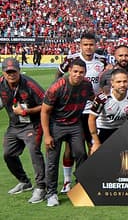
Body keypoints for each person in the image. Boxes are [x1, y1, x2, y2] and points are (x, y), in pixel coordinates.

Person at [0, 57, 47, 204]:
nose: (11, 74)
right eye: (8, 72)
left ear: (19, 71)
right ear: (3, 72)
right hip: (14, 125)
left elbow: (46, 104)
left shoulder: (29, 84)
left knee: (34, 150)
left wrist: (27, 111)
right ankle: (24, 181)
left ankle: (41, 187)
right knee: (8, 154)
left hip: (33, 124)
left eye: (13, 71)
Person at [55, 32, 107, 193]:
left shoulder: (103, 61)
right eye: (85, 44)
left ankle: (88, 179)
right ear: (80, 45)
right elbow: (58, 74)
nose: (88, 47)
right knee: (71, 148)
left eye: (91, 44)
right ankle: (67, 181)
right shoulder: (72, 60)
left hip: (93, 111)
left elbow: (107, 80)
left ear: (95, 45)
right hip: (75, 111)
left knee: (94, 146)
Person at [41, 59, 94, 207]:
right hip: (56, 125)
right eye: (75, 71)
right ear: (69, 71)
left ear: (85, 73)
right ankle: (51, 193)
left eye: (81, 72)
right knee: (52, 160)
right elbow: (45, 111)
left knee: (81, 154)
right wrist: (47, 135)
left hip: (75, 124)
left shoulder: (87, 85)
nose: (78, 75)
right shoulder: (57, 87)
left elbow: (94, 99)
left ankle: (80, 187)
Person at [87, 68, 128, 154]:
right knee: (95, 156)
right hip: (103, 129)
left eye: (125, 81)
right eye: (119, 82)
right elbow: (91, 119)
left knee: (125, 159)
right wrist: (96, 142)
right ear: (112, 83)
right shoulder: (102, 98)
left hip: (121, 129)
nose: (122, 85)